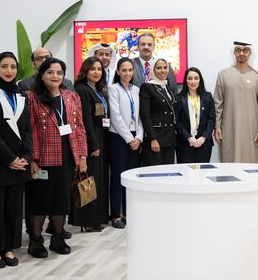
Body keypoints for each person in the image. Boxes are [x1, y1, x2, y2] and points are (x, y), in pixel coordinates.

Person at [25, 58, 88, 258]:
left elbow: (79, 127)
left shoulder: (71, 97)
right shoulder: (31, 97)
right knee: (40, 199)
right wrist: (33, 158)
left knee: (61, 199)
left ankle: (58, 237)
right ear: (42, 74)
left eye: (59, 73)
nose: (55, 76)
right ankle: (35, 241)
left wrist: (83, 155)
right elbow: (31, 130)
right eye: (50, 72)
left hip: (68, 154)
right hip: (43, 156)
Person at [0, 52, 32, 269]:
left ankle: (9, 247)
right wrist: (9, 158)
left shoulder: (22, 94)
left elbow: (28, 129)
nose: (9, 71)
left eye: (12, 67)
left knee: (13, 209)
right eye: (4, 66)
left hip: (20, 163)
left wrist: (26, 157)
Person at [69, 57, 110, 233]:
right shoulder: (82, 89)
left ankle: (96, 218)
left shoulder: (97, 89)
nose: (96, 72)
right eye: (92, 69)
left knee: (97, 180)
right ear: (86, 70)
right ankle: (86, 219)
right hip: (91, 141)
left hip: (101, 137)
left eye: (99, 69)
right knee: (87, 180)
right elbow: (85, 120)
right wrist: (92, 146)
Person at [213, 41, 258, 163]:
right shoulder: (223, 75)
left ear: (250, 53)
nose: (241, 53)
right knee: (229, 162)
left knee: (252, 164)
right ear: (234, 52)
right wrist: (217, 126)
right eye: (238, 50)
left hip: (252, 130)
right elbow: (218, 103)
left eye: (245, 50)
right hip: (229, 128)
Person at [107, 57, 143, 229]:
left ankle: (129, 212)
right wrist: (129, 139)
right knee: (118, 176)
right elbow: (116, 117)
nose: (127, 73)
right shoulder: (113, 89)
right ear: (118, 72)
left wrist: (139, 138)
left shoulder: (137, 90)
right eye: (124, 70)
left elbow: (140, 117)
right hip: (119, 138)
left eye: (130, 70)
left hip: (136, 139)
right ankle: (116, 214)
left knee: (130, 178)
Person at [140, 58, 177, 166]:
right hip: (156, 138)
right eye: (159, 68)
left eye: (165, 67)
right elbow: (145, 115)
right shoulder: (147, 87)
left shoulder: (167, 87)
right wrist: (153, 138)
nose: (162, 70)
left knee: (168, 175)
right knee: (154, 176)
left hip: (169, 138)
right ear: (153, 70)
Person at [175, 67, 215, 163]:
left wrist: (203, 137)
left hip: (204, 143)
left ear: (200, 80)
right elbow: (177, 121)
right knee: (186, 174)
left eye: (196, 78)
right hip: (184, 143)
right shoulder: (179, 98)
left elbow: (211, 118)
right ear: (185, 80)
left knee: (202, 173)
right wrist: (189, 138)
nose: (193, 81)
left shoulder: (207, 96)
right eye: (190, 78)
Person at [131, 32, 177, 96]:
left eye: (149, 45)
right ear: (138, 46)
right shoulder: (130, 65)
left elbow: (173, 90)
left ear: (154, 47)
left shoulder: (165, 65)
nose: (146, 47)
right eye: (143, 44)